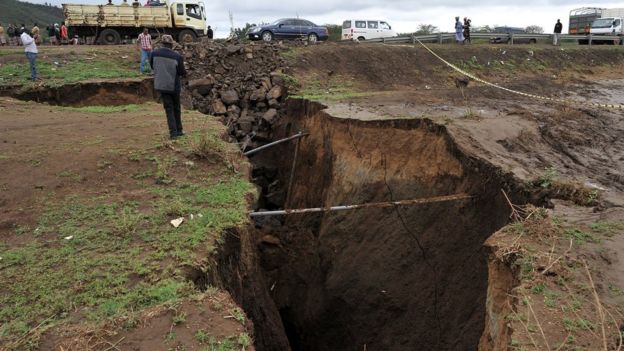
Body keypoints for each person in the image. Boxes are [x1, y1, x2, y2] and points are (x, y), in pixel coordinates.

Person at [150, 35, 186, 139]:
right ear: (171, 44)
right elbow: (182, 72)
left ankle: (173, 133)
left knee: (169, 109)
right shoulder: (177, 56)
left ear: (162, 43)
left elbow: (152, 66)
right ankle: (179, 131)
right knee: (176, 108)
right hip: (174, 86)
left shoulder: (154, 53)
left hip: (161, 85)